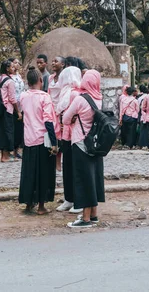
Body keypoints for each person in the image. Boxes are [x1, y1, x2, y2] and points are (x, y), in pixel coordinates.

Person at [62, 70, 105, 228]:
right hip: (95, 144)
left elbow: (66, 119)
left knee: (83, 179)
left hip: (80, 142)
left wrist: (74, 118)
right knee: (94, 178)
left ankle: (85, 219)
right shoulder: (99, 99)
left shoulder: (80, 99)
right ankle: (93, 214)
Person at [19, 67, 58, 214]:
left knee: (29, 172)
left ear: (28, 82)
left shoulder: (23, 96)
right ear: (41, 81)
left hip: (28, 139)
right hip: (42, 139)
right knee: (43, 173)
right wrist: (54, 142)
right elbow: (48, 121)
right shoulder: (44, 97)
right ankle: (41, 205)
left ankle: (28, 203)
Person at [55, 66, 83, 213]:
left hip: (74, 135)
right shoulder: (66, 93)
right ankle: (69, 198)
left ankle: (76, 199)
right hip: (66, 134)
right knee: (67, 167)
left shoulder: (75, 93)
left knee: (74, 167)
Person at [0, 60, 21, 162]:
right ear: (7, 69)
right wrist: (17, 111)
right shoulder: (10, 81)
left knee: (1, 131)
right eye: (11, 67)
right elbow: (12, 99)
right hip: (7, 109)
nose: (13, 68)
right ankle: (6, 156)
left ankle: (3, 155)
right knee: (8, 131)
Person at [48, 56, 66, 171]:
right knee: (53, 136)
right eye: (52, 61)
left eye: (56, 61)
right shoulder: (50, 78)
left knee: (61, 137)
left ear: (62, 64)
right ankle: (54, 162)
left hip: (61, 110)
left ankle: (59, 163)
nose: (53, 63)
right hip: (51, 110)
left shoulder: (65, 78)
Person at [11, 58, 25, 160]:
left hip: (21, 104)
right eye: (15, 63)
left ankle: (17, 150)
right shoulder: (8, 77)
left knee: (19, 129)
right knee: (13, 128)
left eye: (18, 63)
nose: (17, 64)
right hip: (12, 106)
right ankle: (10, 150)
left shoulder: (19, 76)